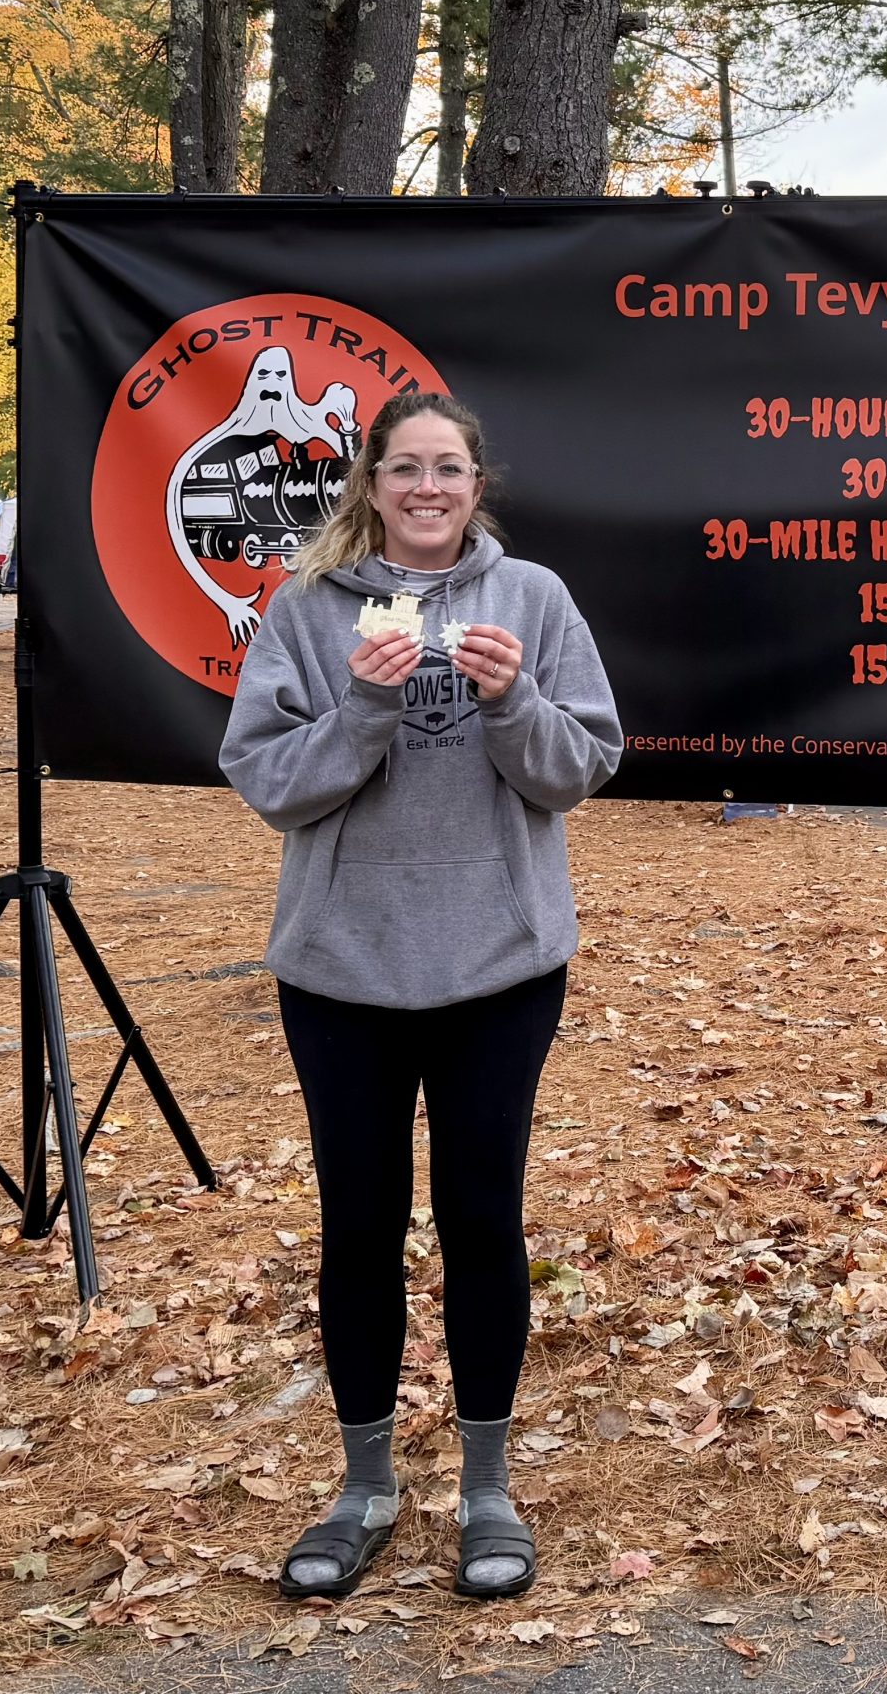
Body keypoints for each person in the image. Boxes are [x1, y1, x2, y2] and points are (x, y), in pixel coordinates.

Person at [219, 392, 622, 1603]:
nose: (429, 487)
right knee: (359, 1226)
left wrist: (511, 702)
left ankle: (488, 1490)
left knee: (481, 1221)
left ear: (474, 481)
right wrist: (364, 704)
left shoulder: (533, 601)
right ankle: (364, 1487)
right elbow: (271, 786)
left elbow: (580, 768)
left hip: (498, 963)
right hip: (343, 969)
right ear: (372, 482)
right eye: (407, 468)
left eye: (449, 468)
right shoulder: (301, 611)